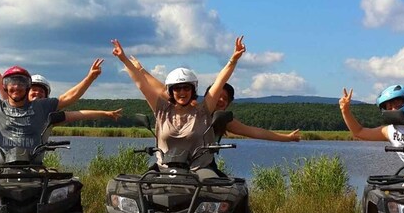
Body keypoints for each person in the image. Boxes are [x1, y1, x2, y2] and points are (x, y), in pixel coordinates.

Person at [110, 37, 245, 178]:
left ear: (193, 90)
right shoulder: (162, 110)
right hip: (163, 169)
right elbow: (141, 84)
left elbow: (220, 81)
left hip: (198, 170)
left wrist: (233, 59)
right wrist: (123, 59)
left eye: (186, 88)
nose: (182, 92)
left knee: (218, 192)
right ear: (171, 91)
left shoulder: (203, 111)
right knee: (141, 189)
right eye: (177, 88)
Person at [116, 48, 301, 143]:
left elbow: (255, 131)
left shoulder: (217, 118)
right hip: (170, 164)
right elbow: (159, 89)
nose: (220, 100)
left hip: (201, 166)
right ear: (207, 95)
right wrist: (140, 70)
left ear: (228, 104)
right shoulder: (188, 106)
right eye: (217, 95)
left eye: (225, 98)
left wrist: (286, 137)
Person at [0, 43, 121, 122]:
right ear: (25, 90)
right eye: (33, 89)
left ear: (46, 96)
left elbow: (79, 113)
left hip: (34, 161)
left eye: (41, 91)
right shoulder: (9, 104)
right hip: (6, 160)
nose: (37, 93)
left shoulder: (48, 114)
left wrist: (105, 113)